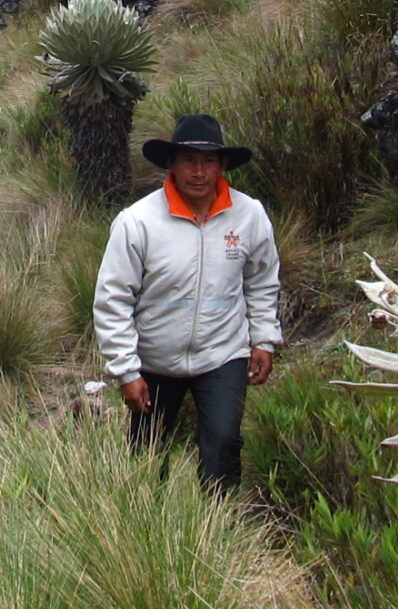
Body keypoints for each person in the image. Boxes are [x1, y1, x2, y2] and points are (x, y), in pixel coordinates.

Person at [91, 114, 280, 491]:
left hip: (222, 355)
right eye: (189, 160)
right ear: (172, 165)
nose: (199, 171)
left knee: (223, 446)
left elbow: (261, 280)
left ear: (222, 165)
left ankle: (219, 530)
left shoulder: (249, 215)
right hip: (155, 361)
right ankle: (144, 532)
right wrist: (127, 371)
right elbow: (113, 298)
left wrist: (263, 339)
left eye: (209, 161)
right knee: (146, 460)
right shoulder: (138, 222)